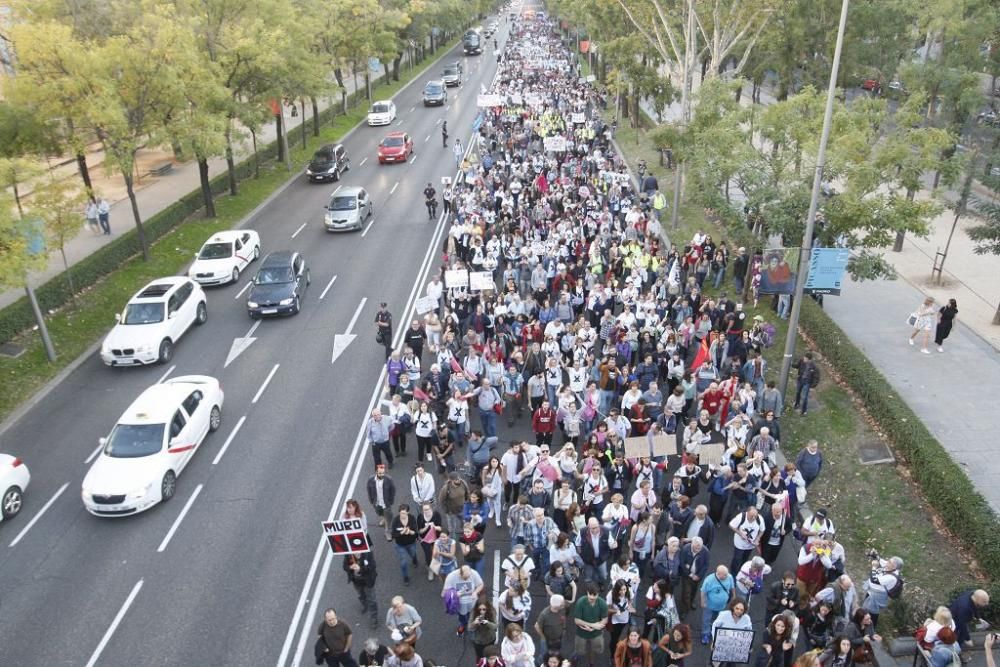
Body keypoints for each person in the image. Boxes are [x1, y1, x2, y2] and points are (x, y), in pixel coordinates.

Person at [443, 563, 485, 636]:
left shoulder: (473, 573)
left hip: (472, 601)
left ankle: (472, 626)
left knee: (473, 614)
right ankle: (462, 624)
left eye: (468, 577)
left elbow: (480, 584)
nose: (467, 579)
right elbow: (445, 592)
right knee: (462, 615)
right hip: (460, 603)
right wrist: (455, 595)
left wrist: (475, 592)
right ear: (460, 573)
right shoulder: (451, 576)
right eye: (465, 578)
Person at [572, 584, 608, 667]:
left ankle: (591, 663)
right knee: (579, 649)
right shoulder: (580, 602)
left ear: (598, 594)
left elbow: (605, 620)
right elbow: (577, 620)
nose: (592, 597)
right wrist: (593, 625)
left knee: (595, 649)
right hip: (581, 632)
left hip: (596, 633)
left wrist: (597, 626)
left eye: (594, 595)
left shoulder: (602, 603)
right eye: (590, 594)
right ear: (587, 593)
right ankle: (576, 658)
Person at [700, 565, 735, 645]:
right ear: (718, 574)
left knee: (717, 618)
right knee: (706, 619)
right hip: (709, 605)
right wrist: (702, 602)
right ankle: (705, 634)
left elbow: (732, 587)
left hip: (721, 606)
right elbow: (703, 591)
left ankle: (714, 628)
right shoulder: (709, 580)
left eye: (727, 574)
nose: (727, 576)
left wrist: (734, 596)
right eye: (725, 575)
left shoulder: (729, 577)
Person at [343, 551, 378, 628]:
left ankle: (374, 617)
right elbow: (345, 566)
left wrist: (360, 569)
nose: (356, 553)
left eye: (358, 552)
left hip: (367, 582)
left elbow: (372, 566)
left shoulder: (368, 553)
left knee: (372, 600)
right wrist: (350, 567)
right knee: (360, 595)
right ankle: (365, 604)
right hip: (356, 582)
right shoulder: (349, 554)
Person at [391, 503, 419, 584]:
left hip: (411, 542)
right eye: (401, 513)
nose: (402, 515)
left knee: (413, 553)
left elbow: (415, 532)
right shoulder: (396, 520)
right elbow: (393, 535)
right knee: (403, 562)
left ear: (408, 512)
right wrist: (401, 533)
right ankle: (405, 577)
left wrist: (409, 531)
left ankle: (414, 559)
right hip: (400, 545)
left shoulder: (412, 518)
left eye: (404, 513)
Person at [366, 464, 395, 541]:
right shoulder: (371, 479)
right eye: (380, 473)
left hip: (386, 503)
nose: (382, 475)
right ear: (376, 472)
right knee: (379, 513)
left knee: (388, 517)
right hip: (376, 503)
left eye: (383, 473)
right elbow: (369, 490)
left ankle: (387, 532)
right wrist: (371, 500)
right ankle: (383, 519)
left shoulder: (389, 479)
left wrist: (391, 501)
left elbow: (393, 490)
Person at [534, 594, 567, 658]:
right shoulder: (544, 614)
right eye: (562, 604)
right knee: (544, 655)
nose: (564, 604)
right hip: (547, 639)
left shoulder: (562, 610)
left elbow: (563, 618)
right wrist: (543, 637)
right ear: (556, 606)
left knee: (558, 653)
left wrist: (564, 629)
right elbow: (537, 626)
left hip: (559, 637)